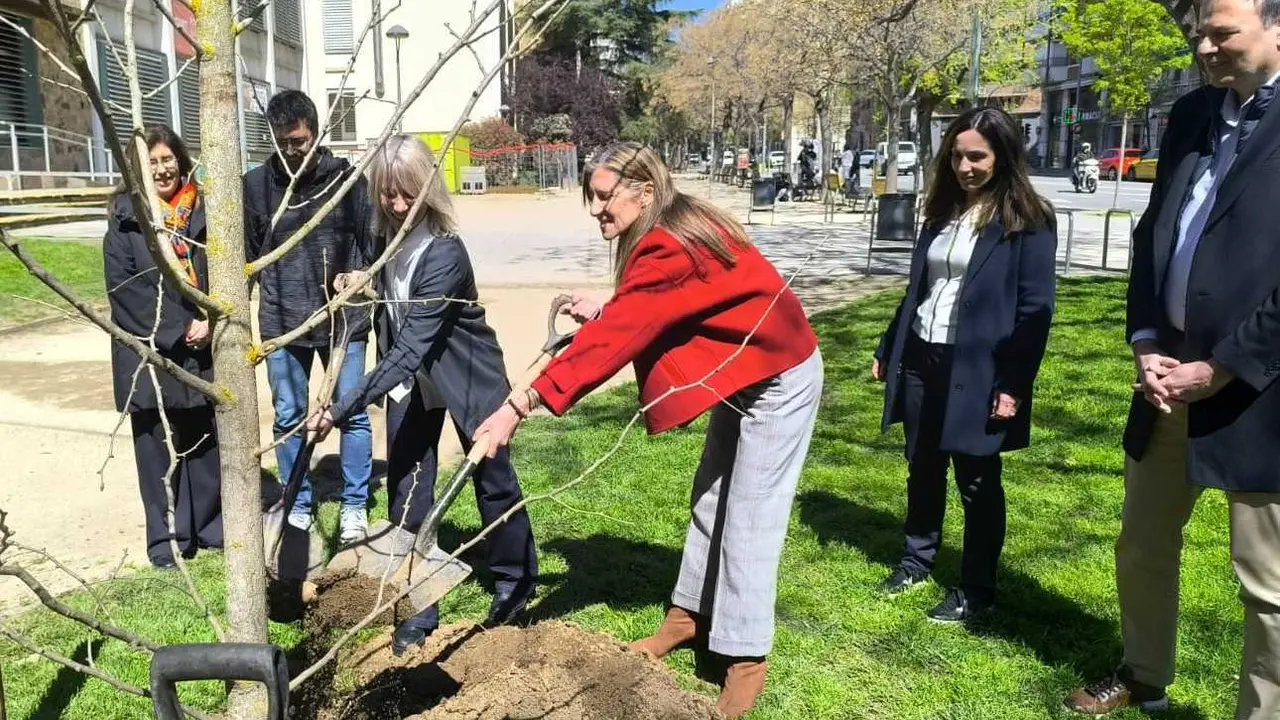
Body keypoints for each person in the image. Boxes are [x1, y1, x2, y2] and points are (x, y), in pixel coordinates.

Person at [472, 141, 823, 718]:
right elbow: (654, 306)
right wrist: (609, 309)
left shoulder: (669, 242)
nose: (595, 209)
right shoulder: (672, 226)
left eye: (605, 197)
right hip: (745, 371)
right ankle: (687, 618)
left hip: (778, 375)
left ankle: (743, 655)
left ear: (645, 193)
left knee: (751, 516)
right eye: (592, 197)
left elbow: (620, 338)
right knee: (710, 500)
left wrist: (521, 402)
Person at [1065, 0, 1280, 716]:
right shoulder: (1191, 114)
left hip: (1260, 388)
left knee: (1267, 582)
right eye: (1199, 35)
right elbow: (1154, 238)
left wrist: (1221, 365)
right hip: (1165, 382)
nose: (1204, 47)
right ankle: (1144, 672)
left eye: (1222, 33)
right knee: (1143, 542)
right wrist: (1146, 341)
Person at [306, 135, 538, 656]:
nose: (397, 204)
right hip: (411, 380)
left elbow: (412, 345)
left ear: (428, 188)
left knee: (492, 479)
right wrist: (361, 279)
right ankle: (416, 605)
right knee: (408, 485)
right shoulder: (385, 239)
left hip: (467, 373)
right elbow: (392, 298)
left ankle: (513, 579)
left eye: (407, 193)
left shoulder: (446, 253)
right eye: (387, 194)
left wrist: (341, 409)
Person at [871, 106, 1057, 622]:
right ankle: (916, 560)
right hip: (922, 356)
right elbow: (919, 289)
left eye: (977, 156)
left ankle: (976, 588)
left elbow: (1035, 311)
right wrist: (890, 346)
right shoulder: (940, 213)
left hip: (978, 366)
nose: (964, 166)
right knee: (922, 467)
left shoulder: (1030, 220)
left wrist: (1013, 383)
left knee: (977, 479)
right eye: (956, 155)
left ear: (1003, 156)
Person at [244, 90, 376, 543]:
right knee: (288, 417)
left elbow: (372, 243)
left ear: (316, 134)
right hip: (283, 322)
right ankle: (297, 504)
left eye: (299, 140)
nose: (291, 151)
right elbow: (244, 257)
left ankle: (355, 506)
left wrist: (358, 275)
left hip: (344, 323)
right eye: (283, 142)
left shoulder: (347, 181)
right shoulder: (256, 187)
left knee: (353, 414)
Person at [104, 124, 222, 570]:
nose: (162, 168)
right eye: (151, 162)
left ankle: (209, 527)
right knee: (156, 448)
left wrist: (211, 318)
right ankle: (167, 541)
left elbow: (222, 272)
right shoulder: (124, 217)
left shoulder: (203, 211)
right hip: (149, 351)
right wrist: (179, 327)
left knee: (203, 441)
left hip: (200, 344)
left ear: (181, 159)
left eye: (168, 158)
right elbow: (124, 291)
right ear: (137, 169)